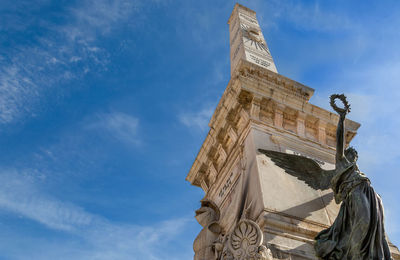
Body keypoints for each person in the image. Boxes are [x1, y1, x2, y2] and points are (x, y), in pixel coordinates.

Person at [314, 95, 392, 259]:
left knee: (378, 227)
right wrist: (342, 118)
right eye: (352, 153)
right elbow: (340, 142)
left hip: (370, 193)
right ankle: (356, 255)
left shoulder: (356, 169)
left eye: (356, 154)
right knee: (363, 222)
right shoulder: (342, 161)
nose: (355, 154)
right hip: (355, 191)